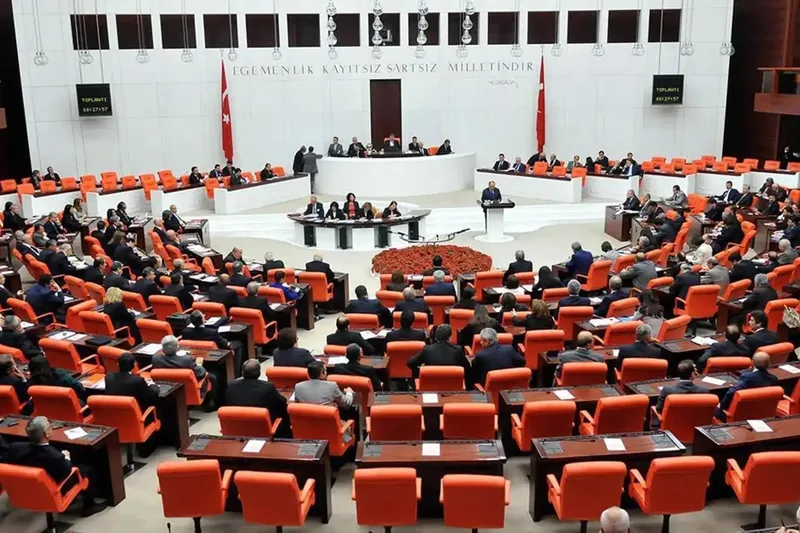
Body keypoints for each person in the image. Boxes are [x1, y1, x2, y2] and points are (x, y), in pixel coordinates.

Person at [2, 416, 107, 516]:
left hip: (27, 488)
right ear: (46, 433)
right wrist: (67, 458)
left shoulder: (16, 447)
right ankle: (89, 507)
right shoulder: (55, 457)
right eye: (49, 426)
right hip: (52, 488)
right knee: (88, 470)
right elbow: (67, 471)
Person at [716, 351, 778, 422]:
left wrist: (721, 405)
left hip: (742, 413)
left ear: (753, 362)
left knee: (715, 409)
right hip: (762, 412)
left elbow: (731, 392)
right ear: (769, 363)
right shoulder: (773, 379)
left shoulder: (747, 377)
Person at [152, 336, 214, 404]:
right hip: (189, 393)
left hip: (167, 393)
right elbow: (201, 374)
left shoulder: (155, 359)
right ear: (177, 348)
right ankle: (210, 403)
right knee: (213, 377)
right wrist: (199, 365)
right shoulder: (186, 360)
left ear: (163, 350)